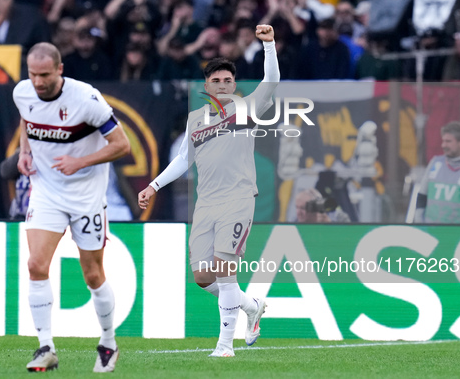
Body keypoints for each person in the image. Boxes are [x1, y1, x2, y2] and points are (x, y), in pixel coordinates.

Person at [138, 24, 280, 357]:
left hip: (239, 199)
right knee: (203, 277)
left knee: (225, 270)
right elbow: (183, 160)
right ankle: (252, 306)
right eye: (215, 80)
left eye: (227, 80)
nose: (222, 85)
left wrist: (269, 45)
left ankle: (224, 346)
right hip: (206, 204)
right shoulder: (194, 119)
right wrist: (153, 184)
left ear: (234, 85)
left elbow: (271, 81)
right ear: (206, 86)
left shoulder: (246, 109)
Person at [14, 42, 130, 372]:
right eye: (33, 74)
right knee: (36, 265)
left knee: (93, 274)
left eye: (45, 75)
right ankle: (45, 348)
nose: (37, 82)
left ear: (60, 70)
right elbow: (27, 119)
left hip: (86, 197)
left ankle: (108, 343)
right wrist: (25, 151)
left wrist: (80, 162)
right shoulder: (22, 93)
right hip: (47, 192)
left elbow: (122, 145)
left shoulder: (86, 100)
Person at [415, 122, 460, 224]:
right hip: (431, 231)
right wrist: (419, 223)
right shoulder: (436, 162)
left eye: (448, 141)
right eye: (443, 141)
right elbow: (422, 195)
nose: (443, 145)